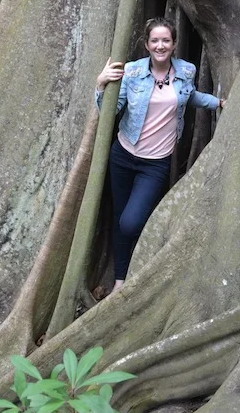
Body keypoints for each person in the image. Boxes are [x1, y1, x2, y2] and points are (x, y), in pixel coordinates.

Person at [95, 17, 225, 290]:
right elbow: (110, 110)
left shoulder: (185, 72)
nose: (160, 45)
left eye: (166, 40)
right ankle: (120, 279)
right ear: (146, 44)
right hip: (123, 155)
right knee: (120, 218)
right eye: (155, 40)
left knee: (130, 223)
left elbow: (191, 97)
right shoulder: (132, 73)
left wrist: (218, 103)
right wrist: (100, 86)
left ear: (174, 43)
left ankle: (141, 265)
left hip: (155, 164)